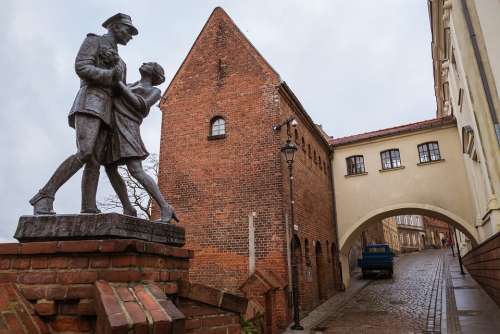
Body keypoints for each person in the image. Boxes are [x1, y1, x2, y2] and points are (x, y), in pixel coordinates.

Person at [30, 13, 138, 216]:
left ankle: (88, 207)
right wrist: (108, 76)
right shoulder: (94, 41)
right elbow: (81, 67)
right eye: (128, 30)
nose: (130, 35)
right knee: (85, 151)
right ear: (114, 26)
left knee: (95, 161)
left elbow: (120, 91)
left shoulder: (122, 63)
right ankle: (45, 195)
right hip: (90, 101)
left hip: (107, 112)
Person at [104, 62, 178, 223]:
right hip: (114, 126)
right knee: (109, 167)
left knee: (135, 170)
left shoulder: (155, 91)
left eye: (150, 64)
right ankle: (128, 207)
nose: (145, 63)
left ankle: (165, 206)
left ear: (155, 73)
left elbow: (140, 105)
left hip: (128, 126)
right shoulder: (129, 84)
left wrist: (119, 85)